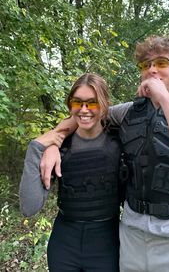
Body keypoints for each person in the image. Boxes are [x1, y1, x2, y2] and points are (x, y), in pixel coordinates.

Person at [39, 36, 169, 272]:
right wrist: (53, 143)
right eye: (145, 65)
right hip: (131, 236)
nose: (152, 70)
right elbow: (85, 117)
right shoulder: (127, 113)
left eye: (161, 63)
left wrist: (163, 97)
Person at [19, 73, 123, 272]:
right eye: (78, 102)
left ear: (104, 104)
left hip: (107, 244)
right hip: (64, 245)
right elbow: (29, 207)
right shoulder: (58, 149)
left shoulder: (121, 142)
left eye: (92, 103)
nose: (84, 110)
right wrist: (37, 147)